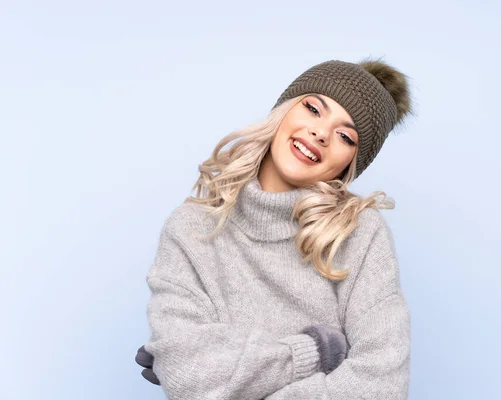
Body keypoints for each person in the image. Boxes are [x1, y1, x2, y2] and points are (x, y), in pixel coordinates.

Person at [134, 58, 412, 399]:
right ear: (283, 110)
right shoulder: (190, 229)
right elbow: (187, 376)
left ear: (351, 163)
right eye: (312, 108)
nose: (320, 134)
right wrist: (313, 351)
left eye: (344, 135)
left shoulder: (358, 234)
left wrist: (230, 376)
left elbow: (382, 385)